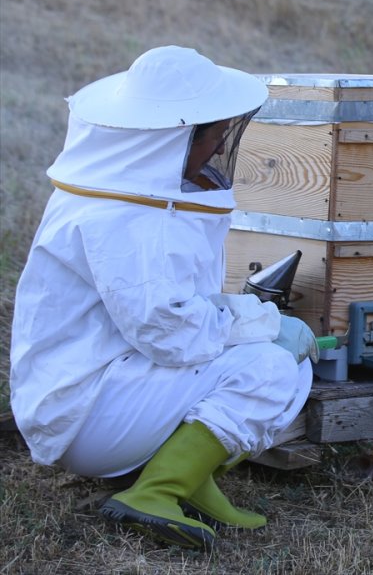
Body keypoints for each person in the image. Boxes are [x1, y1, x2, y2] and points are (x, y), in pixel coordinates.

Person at [9, 45, 316, 550]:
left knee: (286, 359)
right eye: (214, 137)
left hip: (84, 390)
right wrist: (261, 324)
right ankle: (154, 492)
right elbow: (169, 332)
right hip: (87, 413)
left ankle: (193, 478)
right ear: (176, 138)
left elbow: (168, 312)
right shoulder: (127, 220)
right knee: (273, 369)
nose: (219, 149)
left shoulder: (110, 193)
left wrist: (250, 318)